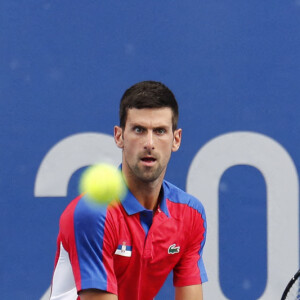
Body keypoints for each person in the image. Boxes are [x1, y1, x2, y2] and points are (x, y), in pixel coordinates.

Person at [50, 81, 208, 300]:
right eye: (139, 130)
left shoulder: (191, 215)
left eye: (160, 131)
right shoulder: (94, 213)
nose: (149, 143)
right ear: (119, 136)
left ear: (176, 139)